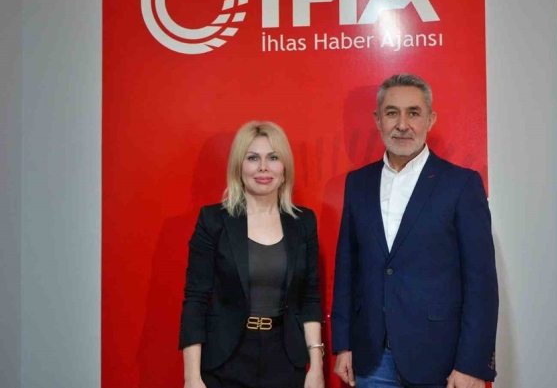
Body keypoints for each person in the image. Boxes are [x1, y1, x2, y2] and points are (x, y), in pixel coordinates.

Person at [331, 74, 498, 388]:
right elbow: (347, 270)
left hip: (441, 360)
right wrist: (343, 344)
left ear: (430, 120)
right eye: (392, 113)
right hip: (371, 359)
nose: (402, 124)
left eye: (414, 113)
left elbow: (482, 284)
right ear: (377, 119)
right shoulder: (358, 183)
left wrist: (472, 365)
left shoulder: (461, 184)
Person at [179, 121, 325, 388]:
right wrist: (191, 377)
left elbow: (310, 298)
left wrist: (316, 367)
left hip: (286, 361)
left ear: (284, 168)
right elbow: (196, 299)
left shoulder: (304, 222)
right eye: (253, 158)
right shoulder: (213, 221)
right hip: (224, 360)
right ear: (239, 167)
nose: (263, 167)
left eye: (273, 158)